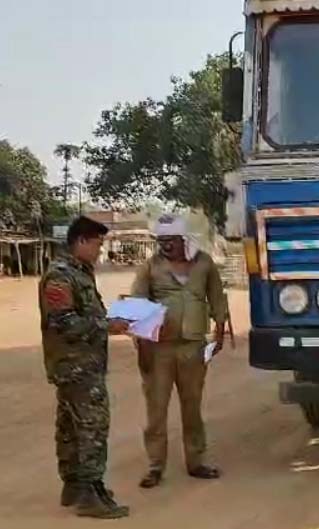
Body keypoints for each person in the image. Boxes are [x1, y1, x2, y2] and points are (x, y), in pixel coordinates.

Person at [39, 216, 130, 519]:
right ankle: (90, 491)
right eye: (97, 244)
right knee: (92, 426)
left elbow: (85, 312)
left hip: (80, 364)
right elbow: (64, 322)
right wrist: (107, 326)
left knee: (70, 426)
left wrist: (107, 319)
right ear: (80, 241)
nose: (100, 251)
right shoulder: (60, 276)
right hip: (76, 367)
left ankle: (76, 486)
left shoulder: (80, 271)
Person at [131, 215, 227, 488]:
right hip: (158, 349)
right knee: (156, 410)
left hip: (193, 347)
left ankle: (196, 461)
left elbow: (216, 298)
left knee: (192, 407)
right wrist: (142, 346)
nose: (165, 246)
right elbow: (137, 305)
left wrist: (219, 332)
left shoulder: (204, 263)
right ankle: (155, 466)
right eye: (161, 241)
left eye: (171, 241)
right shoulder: (150, 267)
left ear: (184, 239)